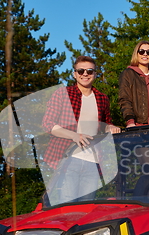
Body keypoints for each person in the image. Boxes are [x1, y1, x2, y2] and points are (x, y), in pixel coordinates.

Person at [42, 56, 120, 204]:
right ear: (74, 74)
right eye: (81, 71)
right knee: (67, 206)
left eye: (89, 71)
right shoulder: (63, 94)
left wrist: (111, 127)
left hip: (93, 161)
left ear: (95, 74)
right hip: (68, 159)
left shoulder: (102, 99)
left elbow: (104, 124)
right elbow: (47, 123)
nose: (85, 74)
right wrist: (74, 136)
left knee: (86, 208)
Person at [118, 40, 149, 127]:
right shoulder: (128, 74)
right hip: (140, 126)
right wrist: (130, 122)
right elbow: (124, 99)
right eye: (141, 51)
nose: (145, 54)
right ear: (136, 54)